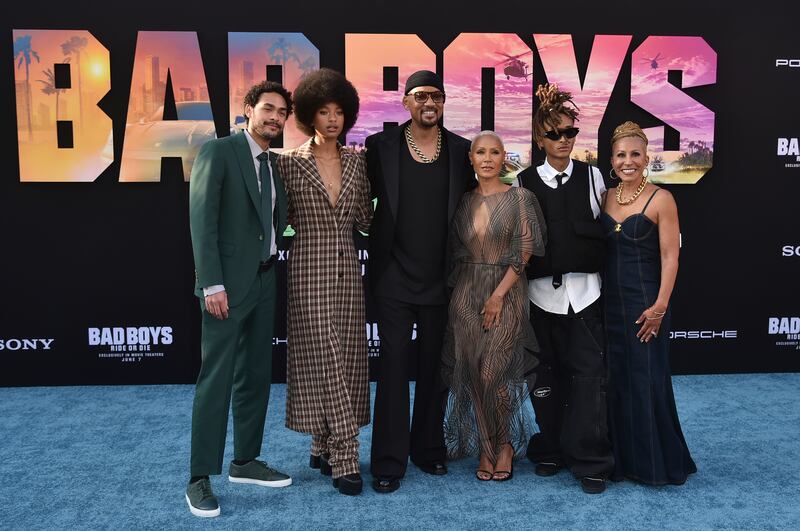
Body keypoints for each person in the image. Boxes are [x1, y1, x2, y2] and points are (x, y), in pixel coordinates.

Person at [186, 81, 293, 517]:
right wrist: (212, 284)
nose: (275, 117)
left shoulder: (273, 163)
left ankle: (245, 461)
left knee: (255, 376)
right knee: (216, 379)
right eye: (268, 109)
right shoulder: (220, 152)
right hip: (226, 288)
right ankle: (198, 477)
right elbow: (202, 220)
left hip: (265, 281)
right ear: (248, 109)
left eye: (282, 112)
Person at [366, 70, 475, 494]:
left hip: (442, 281)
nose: (429, 102)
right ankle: (389, 462)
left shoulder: (461, 151)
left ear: (444, 103)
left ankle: (428, 449)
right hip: (393, 276)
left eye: (437, 96)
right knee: (392, 370)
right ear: (406, 102)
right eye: (420, 95)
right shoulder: (382, 146)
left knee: (435, 369)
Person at [276, 68, 373, 496]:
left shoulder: (357, 161)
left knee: (348, 354)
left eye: (339, 112)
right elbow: (279, 217)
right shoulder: (290, 164)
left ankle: (321, 440)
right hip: (308, 269)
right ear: (308, 115)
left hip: (349, 272)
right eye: (323, 111)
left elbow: (366, 221)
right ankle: (346, 454)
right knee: (327, 352)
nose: (332, 119)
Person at [516, 83, 614, 494]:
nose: (562, 141)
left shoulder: (593, 177)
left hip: (586, 297)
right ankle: (551, 448)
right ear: (540, 138)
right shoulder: (523, 182)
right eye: (553, 134)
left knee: (590, 379)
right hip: (541, 301)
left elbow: (611, 232)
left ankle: (591, 459)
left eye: (569, 133)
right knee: (545, 380)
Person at [441, 131, 545, 482]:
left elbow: (525, 251)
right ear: (470, 159)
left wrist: (498, 295)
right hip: (467, 293)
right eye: (480, 152)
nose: (487, 158)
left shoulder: (520, 197)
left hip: (506, 293)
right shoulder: (462, 201)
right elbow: (454, 251)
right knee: (472, 373)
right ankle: (488, 447)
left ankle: (505, 446)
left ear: (505, 158)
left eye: (494, 152)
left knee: (493, 374)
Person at [601, 121, 696, 485]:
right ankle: (621, 461)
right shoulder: (606, 196)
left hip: (646, 307)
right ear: (612, 159)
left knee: (646, 381)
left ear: (646, 158)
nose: (628, 161)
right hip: (608, 306)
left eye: (635, 155)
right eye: (621, 155)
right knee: (614, 382)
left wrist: (659, 308)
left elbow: (671, 258)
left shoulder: (662, 199)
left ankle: (654, 463)